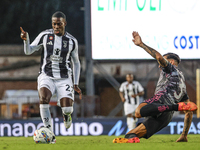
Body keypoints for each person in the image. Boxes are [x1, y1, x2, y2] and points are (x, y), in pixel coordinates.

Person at [113, 31, 197, 143]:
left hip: (161, 101)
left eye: (163, 60)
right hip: (166, 117)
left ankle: (174, 107)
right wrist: (184, 135)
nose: (159, 64)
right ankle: (133, 141)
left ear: (171, 61)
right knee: (130, 135)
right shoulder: (182, 85)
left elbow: (158, 56)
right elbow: (189, 111)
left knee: (138, 112)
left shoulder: (170, 69)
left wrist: (141, 44)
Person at [20, 11, 82, 143]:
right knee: (44, 99)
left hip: (64, 77)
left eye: (59, 24)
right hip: (46, 75)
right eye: (54, 24)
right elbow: (28, 51)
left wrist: (75, 83)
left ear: (64, 23)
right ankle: (50, 133)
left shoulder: (72, 41)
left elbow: (76, 62)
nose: (56, 26)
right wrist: (26, 41)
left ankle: (67, 115)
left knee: (67, 108)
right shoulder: (44, 35)